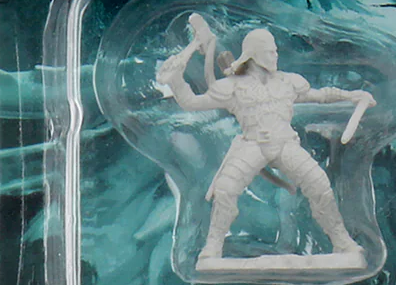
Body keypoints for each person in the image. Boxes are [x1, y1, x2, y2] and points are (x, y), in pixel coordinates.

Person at [157, 16, 375, 265]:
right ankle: (212, 248)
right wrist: (175, 80)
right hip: (252, 145)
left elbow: (321, 95)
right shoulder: (232, 86)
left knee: (319, 185)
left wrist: (353, 95)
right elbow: (191, 103)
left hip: (285, 144)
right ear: (254, 54)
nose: (275, 55)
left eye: (276, 51)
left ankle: (342, 242)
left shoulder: (288, 82)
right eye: (270, 51)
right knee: (225, 190)